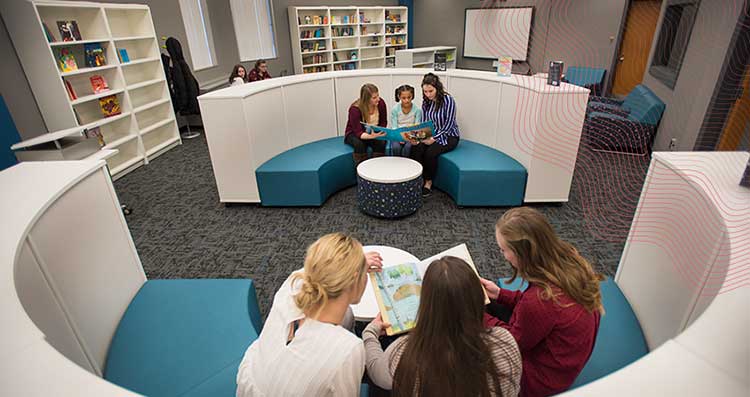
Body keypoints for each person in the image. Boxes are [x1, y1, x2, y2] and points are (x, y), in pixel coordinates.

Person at [236, 233, 383, 396]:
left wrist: (355, 263)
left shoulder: (291, 285)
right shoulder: (349, 348)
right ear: (355, 277)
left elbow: (314, 266)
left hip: (253, 380)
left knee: (346, 316)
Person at [481, 207, 605, 397]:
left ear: (523, 253)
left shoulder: (540, 301)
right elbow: (542, 313)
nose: (502, 254)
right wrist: (500, 294)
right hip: (565, 360)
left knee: (464, 345)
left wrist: (474, 317)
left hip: (542, 381)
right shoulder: (567, 259)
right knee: (491, 306)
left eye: (503, 249)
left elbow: (512, 343)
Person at [363, 256, 522, 397]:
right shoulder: (506, 341)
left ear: (426, 303)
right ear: (477, 298)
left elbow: (377, 373)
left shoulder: (404, 352)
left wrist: (370, 333)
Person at [410, 73, 460, 197]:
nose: (428, 94)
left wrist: (434, 139)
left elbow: (449, 125)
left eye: (431, 91)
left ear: (437, 88)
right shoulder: (426, 101)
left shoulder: (448, 100)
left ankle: (428, 182)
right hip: (431, 134)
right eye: (425, 91)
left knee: (430, 153)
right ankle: (417, 179)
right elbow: (424, 123)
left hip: (449, 136)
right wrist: (418, 137)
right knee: (415, 148)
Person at [345, 83, 387, 166]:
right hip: (354, 134)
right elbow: (358, 132)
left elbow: (383, 122)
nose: (378, 99)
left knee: (381, 143)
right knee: (360, 144)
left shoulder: (381, 103)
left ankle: (378, 167)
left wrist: (381, 132)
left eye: (378, 95)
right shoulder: (355, 109)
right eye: (374, 98)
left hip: (373, 132)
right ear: (366, 99)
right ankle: (362, 170)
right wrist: (372, 136)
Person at [389, 84, 422, 157]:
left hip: (411, 134)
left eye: (409, 97)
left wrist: (409, 137)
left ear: (412, 96)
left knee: (408, 147)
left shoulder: (417, 110)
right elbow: (394, 127)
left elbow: (416, 126)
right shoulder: (395, 109)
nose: (406, 100)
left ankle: (407, 166)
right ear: (399, 97)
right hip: (397, 134)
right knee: (396, 147)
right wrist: (400, 137)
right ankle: (398, 165)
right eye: (403, 98)